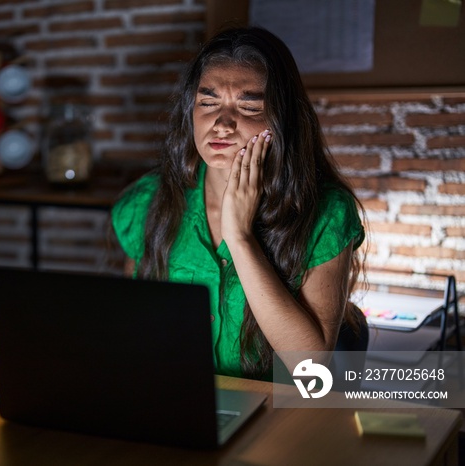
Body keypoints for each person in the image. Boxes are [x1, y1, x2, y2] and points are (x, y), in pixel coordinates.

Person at [111, 26, 367, 380]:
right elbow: (133, 328)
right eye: (208, 102)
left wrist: (240, 237)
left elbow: (309, 368)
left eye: (248, 106)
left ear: (281, 120)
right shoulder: (150, 200)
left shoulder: (326, 212)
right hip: (176, 401)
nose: (222, 124)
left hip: (272, 414)